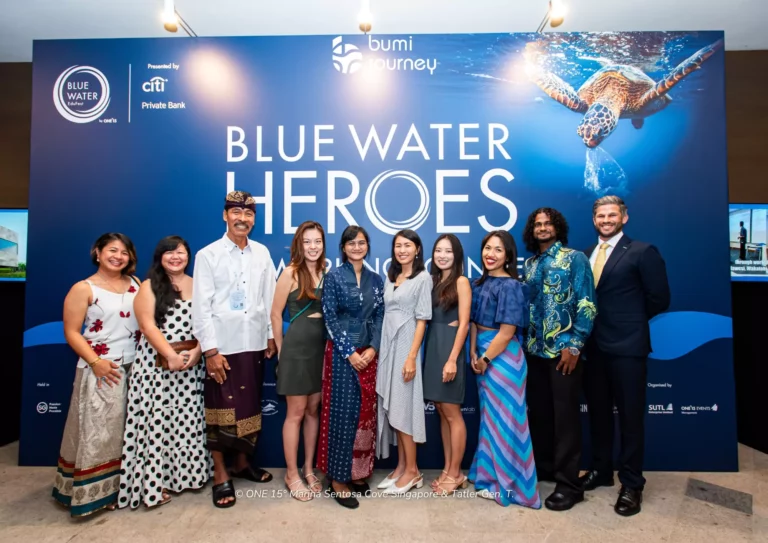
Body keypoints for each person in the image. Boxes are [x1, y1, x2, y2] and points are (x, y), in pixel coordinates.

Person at [580, 195, 670, 517]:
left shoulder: (643, 252)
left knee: (631, 419)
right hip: (593, 350)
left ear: (624, 217)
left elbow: (659, 298)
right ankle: (602, 471)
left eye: (612, 214)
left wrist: (628, 322)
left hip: (628, 348)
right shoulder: (587, 254)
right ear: (594, 220)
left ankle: (632, 483)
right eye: (601, 215)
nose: (606, 220)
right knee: (599, 416)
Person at [192, 190, 277, 508]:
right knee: (220, 412)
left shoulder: (262, 254)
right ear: (225, 216)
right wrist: (210, 351)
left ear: (254, 219)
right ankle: (220, 474)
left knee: (249, 408)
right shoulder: (208, 255)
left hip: (253, 343)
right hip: (223, 346)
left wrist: (269, 336)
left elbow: (268, 300)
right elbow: (200, 308)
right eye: (236, 213)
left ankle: (242, 464)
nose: (243, 219)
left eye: (249, 214)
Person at [118, 236, 210, 509]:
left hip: (191, 366)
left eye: (181, 252)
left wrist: (198, 352)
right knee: (158, 422)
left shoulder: (198, 284)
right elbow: (147, 326)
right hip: (157, 367)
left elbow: (208, 321)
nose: (175, 257)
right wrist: (170, 355)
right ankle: (154, 483)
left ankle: (187, 476)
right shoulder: (148, 287)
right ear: (160, 257)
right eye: (169, 253)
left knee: (186, 422)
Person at [53, 233, 141, 517]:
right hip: (103, 370)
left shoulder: (136, 284)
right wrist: (95, 361)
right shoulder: (84, 288)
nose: (118, 256)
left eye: (124, 252)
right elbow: (71, 332)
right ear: (98, 253)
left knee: (128, 432)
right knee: (100, 434)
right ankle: (94, 495)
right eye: (112, 250)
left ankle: (125, 488)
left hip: (135, 367)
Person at [522, 208, 596, 512]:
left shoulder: (574, 258)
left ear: (557, 227)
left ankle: (569, 485)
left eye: (547, 223)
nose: (542, 228)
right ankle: (547, 469)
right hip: (534, 352)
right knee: (540, 416)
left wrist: (575, 345)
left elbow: (587, 303)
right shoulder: (530, 264)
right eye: (537, 224)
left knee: (565, 420)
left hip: (563, 353)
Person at [468, 230, 541, 509]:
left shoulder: (511, 286)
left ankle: (511, 485)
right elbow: (474, 324)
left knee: (508, 423)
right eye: (487, 248)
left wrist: (485, 358)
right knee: (490, 419)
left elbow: (508, 331)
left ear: (508, 255)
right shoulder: (479, 283)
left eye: (498, 250)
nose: (491, 254)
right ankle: (488, 477)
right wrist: (474, 351)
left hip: (503, 358)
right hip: (483, 353)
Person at [318, 225, 384, 509]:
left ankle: (358, 473)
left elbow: (381, 315)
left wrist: (373, 348)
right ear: (343, 248)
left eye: (362, 242)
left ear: (367, 245)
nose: (357, 247)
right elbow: (329, 317)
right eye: (351, 243)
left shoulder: (376, 279)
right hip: (343, 356)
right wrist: (349, 353)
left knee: (364, 415)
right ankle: (338, 480)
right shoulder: (333, 277)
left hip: (368, 353)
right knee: (342, 415)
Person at [270, 221, 326, 501]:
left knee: (314, 410)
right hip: (296, 350)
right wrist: (281, 349)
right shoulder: (291, 273)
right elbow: (275, 313)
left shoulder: (327, 272)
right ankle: (292, 473)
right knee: (296, 411)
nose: (313, 247)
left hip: (320, 350)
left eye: (317, 241)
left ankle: (308, 467)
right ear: (299, 244)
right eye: (307, 242)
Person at [376, 229, 432, 495]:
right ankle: (401, 467)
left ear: (417, 249)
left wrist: (411, 357)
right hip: (388, 347)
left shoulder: (423, 278)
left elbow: (422, 319)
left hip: (406, 347)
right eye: (398, 246)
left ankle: (413, 472)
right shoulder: (391, 277)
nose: (402, 250)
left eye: (407, 245)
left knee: (403, 409)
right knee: (393, 410)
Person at [423, 234, 471, 495]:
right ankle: (447, 468)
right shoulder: (433, 281)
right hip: (433, 346)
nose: (442, 255)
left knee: (453, 413)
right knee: (442, 410)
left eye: (448, 251)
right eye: (438, 250)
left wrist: (453, 359)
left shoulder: (461, 281)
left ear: (457, 255)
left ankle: (456, 473)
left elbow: (464, 323)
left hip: (449, 348)